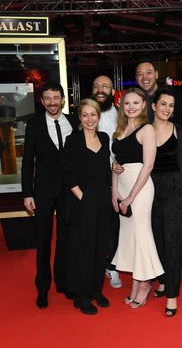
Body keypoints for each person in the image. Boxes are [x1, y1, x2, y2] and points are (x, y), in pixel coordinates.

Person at [21, 81, 79, 309]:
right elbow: (27, 162)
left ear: (63, 99)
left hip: (69, 190)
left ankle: (63, 282)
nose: (53, 103)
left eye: (57, 98)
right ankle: (42, 288)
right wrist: (27, 193)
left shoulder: (74, 122)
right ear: (42, 101)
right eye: (48, 99)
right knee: (43, 239)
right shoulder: (34, 124)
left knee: (66, 238)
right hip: (43, 191)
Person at [111, 87, 164, 309]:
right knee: (129, 236)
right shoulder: (120, 129)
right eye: (127, 103)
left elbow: (149, 165)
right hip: (121, 188)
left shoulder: (147, 129)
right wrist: (114, 191)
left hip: (140, 189)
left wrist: (131, 196)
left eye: (135, 103)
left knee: (141, 235)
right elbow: (115, 164)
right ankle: (136, 280)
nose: (131, 107)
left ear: (143, 105)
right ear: (122, 106)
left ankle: (144, 283)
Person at [61, 98, 112, 315]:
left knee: (100, 246)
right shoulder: (72, 140)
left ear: (98, 117)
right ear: (79, 118)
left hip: (103, 200)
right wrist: (82, 196)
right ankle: (81, 295)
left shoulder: (104, 137)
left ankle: (95, 290)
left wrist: (115, 171)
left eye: (93, 115)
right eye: (85, 115)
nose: (90, 119)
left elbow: (105, 168)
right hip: (82, 200)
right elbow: (65, 172)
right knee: (83, 248)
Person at [151, 87, 182, 317]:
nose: (167, 109)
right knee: (157, 240)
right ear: (154, 106)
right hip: (151, 192)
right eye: (163, 104)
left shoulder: (179, 130)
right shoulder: (145, 130)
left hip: (175, 191)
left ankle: (171, 296)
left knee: (173, 242)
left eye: (171, 105)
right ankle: (164, 281)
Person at [91, 75, 122, 289]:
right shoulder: (84, 114)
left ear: (112, 91)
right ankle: (94, 265)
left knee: (115, 225)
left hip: (118, 178)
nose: (101, 89)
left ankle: (112, 266)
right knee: (93, 225)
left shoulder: (122, 115)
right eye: (97, 86)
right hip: (91, 180)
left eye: (105, 86)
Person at [135, 59, 182, 124]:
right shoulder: (133, 99)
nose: (144, 77)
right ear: (136, 78)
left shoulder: (176, 95)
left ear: (156, 75)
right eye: (140, 74)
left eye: (149, 73)